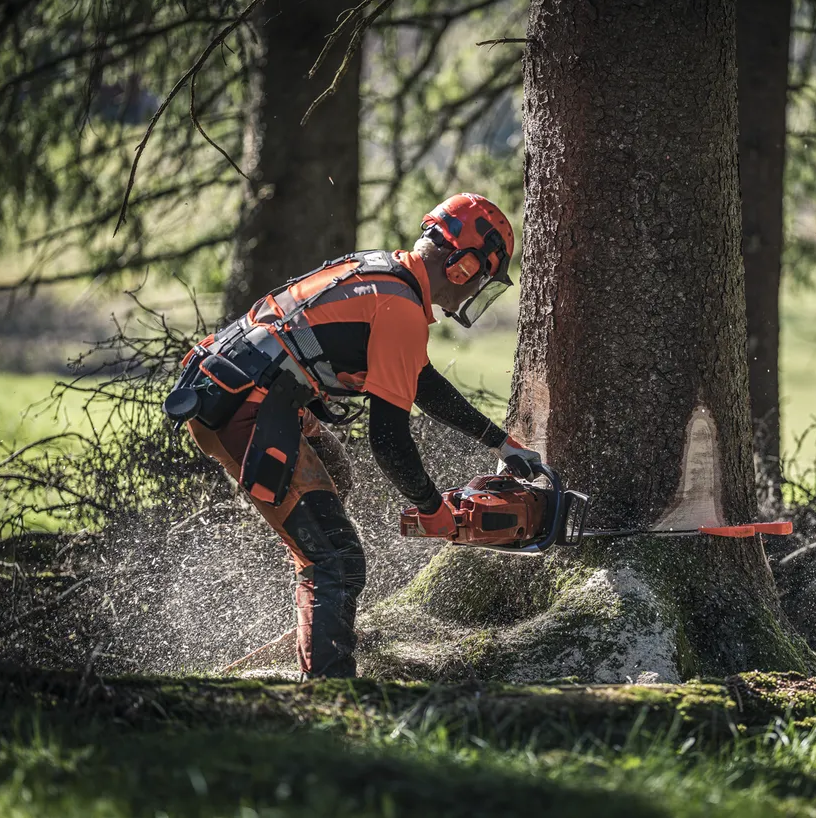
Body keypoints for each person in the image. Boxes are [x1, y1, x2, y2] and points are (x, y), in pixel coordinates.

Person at [163, 193, 540, 679]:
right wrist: (434, 511)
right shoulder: (400, 310)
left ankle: (313, 607)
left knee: (336, 478)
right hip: (247, 410)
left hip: (237, 389)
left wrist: (500, 443)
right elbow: (389, 441)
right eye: (480, 281)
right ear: (463, 266)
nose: (472, 295)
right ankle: (330, 693)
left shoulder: (387, 275)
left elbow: (422, 381)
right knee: (338, 559)